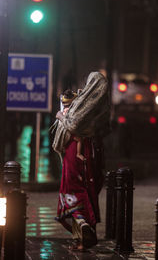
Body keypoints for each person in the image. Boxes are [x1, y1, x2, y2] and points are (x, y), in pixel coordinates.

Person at [52, 72, 111, 251]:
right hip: (93, 151)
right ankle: (82, 240)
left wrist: (60, 116)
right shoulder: (103, 107)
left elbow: (72, 124)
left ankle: (82, 223)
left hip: (76, 150)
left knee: (72, 188)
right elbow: (105, 129)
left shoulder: (83, 103)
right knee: (89, 189)